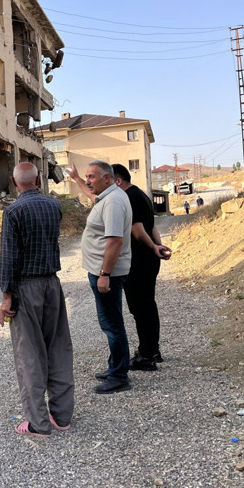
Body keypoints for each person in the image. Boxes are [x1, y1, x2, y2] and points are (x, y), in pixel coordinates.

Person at [0, 162, 74, 438]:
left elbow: (8, 257)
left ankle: (37, 423)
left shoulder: (13, 211)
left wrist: (7, 296)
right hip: (52, 283)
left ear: (14, 182)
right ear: (39, 178)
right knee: (58, 347)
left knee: (29, 353)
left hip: (26, 287)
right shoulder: (54, 206)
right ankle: (62, 416)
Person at [75, 160, 133, 394]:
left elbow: (115, 240)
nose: (88, 181)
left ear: (107, 178)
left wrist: (105, 274)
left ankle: (119, 375)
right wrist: (76, 178)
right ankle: (115, 367)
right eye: (87, 176)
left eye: (92, 177)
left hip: (107, 272)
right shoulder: (108, 197)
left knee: (112, 324)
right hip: (102, 270)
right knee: (111, 321)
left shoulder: (113, 202)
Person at [110, 164, 171, 371]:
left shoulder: (128, 197)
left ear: (118, 181)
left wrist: (154, 247)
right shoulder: (141, 195)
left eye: (110, 182)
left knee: (141, 309)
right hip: (148, 259)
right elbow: (151, 225)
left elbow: (138, 230)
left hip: (138, 261)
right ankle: (152, 350)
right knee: (147, 306)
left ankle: (146, 355)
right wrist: (158, 247)